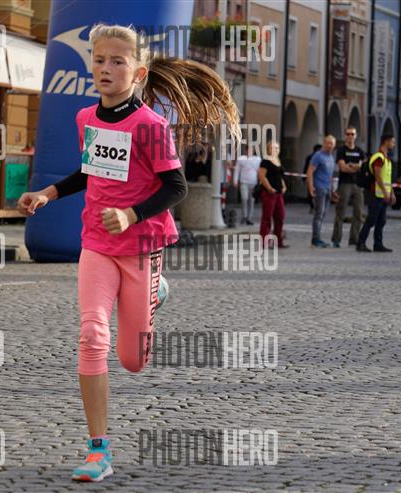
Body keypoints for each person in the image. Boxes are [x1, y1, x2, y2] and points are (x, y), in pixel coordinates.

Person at [16, 23, 240, 482]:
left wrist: (131, 214)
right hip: (97, 244)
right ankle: (98, 450)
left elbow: (176, 187)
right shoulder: (87, 118)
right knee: (92, 335)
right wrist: (48, 194)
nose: (106, 68)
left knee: (133, 361)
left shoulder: (151, 126)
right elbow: (89, 171)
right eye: (99, 60)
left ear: (137, 73)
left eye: (117, 61)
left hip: (141, 246)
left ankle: (156, 289)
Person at [356, 134, 395, 252]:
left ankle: (378, 244)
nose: (394, 144)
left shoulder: (387, 159)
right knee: (371, 220)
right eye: (392, 142)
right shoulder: (379, 158)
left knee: (381, 221)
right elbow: (378, 176)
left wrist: (392, 193)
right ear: (386, 142)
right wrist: (385, 192)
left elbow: (387, 179)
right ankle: (360, 243)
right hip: (375, 194)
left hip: (383, 195)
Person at [331, 126, 365, 248]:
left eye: (352, 134)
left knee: (358, 213)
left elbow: (363, 167)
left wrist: (350, 164)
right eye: (348, 134)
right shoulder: (341, 150)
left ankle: (354, 239)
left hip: (358, 185)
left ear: (356, 136)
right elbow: (343, 168)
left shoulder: (360, 151)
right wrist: (356, 167)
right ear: (345, 135)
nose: (350, 136)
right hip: (344, 184)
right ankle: (336, 239)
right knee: (340, 212)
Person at [306, 135, 337, 247]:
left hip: (327, 189)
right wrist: (311, 187)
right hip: (319, 188)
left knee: (323, 214)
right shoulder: (318, 156)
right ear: (324, 143)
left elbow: (330, 175)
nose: (329, 145)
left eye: (331, 144)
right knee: (319, 214)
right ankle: (316, 239)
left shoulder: (331, 157)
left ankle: (317, 237)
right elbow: (309, 172)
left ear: (334, 145)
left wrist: (332, 190)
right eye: (327, 143)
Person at [258, 141, 288, 248]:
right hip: (268, 193)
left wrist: (284, 186)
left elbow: (280, 176)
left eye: (276, 148)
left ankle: (278, 241)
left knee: (280, 216)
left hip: (279, 193)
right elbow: (261, 176)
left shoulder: (278, 160)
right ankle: (265, 242)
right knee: (267, 217)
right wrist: (269, 188)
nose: (275, 150)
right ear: (268, 149)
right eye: (272, 148)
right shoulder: (265, 161)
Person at [234, 149, 261, 224]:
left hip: (253, 183)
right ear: (245, 150)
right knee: (244, 199)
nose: (249, 151)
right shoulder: (241, 159)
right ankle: (244, 216)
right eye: (248, 149)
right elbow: (237, 170)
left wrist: (260, 181)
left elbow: (260, 171)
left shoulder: (258, 159)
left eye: (251, 150)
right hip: (243, 182)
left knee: (251, 201)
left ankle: (249, 218)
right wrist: (235, 180)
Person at [302, 144, 322, 213]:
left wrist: (304, 178)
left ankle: (312, 207)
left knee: (310, 193)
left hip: (312, 177)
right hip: (316, 177)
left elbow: (305, 167)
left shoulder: (310, 156)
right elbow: (307, 167)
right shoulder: (315, 157)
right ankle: (315, 207)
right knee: (316, 192)